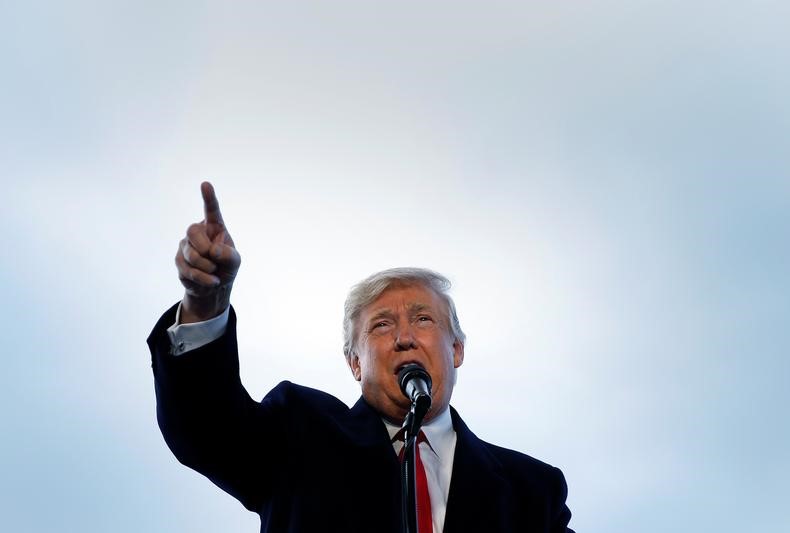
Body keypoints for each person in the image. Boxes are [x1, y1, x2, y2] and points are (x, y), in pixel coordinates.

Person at [148, 182, 575, 533]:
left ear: (457, 349)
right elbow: (205, 429)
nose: (405, 337)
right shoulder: (300, 434)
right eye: (382, 326)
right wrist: (206, 303)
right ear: (354, 363)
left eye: (423, 319)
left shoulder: (532, 490)